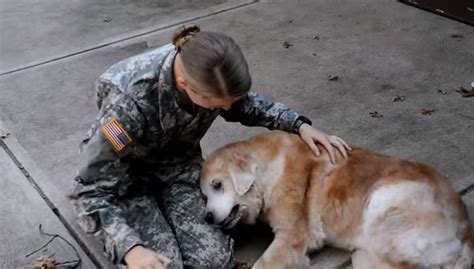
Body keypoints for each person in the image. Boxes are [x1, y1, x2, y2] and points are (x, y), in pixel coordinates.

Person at [69, 25, 351, 269]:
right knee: (162, 264)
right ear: (183, 84)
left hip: (177, 169)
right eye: (219, 104)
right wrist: (131, 249)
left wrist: (300, 125)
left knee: (212, 262)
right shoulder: (129, 104)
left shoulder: (211, 73)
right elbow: (87, 190)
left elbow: (247, 104)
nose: (228, 108)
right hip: (126, 180)